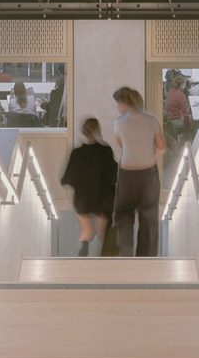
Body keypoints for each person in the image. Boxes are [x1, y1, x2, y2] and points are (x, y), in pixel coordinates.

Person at [108, 86, 164, 257]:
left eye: (118, 104)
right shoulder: (152, 121)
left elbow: (121, 145)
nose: (117, 108)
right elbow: (161, 147)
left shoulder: (119, 122)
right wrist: (150, 154)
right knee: (149, 217)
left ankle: (125, 252)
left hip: (127, 173)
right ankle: (146, 258)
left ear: (124, 103)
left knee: (123, 214)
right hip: (148, 174)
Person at [59, 118, 118, 258]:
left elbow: (67, 178)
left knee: (87, 231)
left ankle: (84, 249)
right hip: (102, 199)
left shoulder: (77, 153)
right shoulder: (105, 151)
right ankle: (104, 261)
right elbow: (113, 176)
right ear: (97, 130)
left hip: (82, 199)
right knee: (103, 233)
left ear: (84, 131)